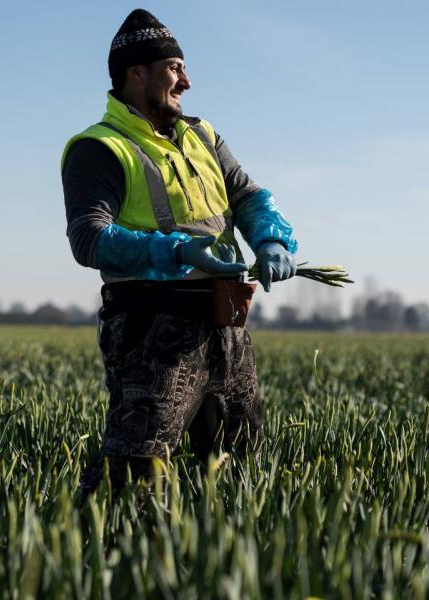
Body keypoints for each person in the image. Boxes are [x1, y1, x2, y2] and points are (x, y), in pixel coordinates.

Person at [61, 10, 300, 498]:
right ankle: (88, 564)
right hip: (154, 331)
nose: (186, 81)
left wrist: (271, 239)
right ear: (136, 74)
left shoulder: (203, 135)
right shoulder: (100, 148)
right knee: (130, 476)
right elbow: (89, 238)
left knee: (239, 465)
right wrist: (180, 253)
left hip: (228, 324)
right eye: (174, 67)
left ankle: (218, 563)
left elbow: (249, 197)